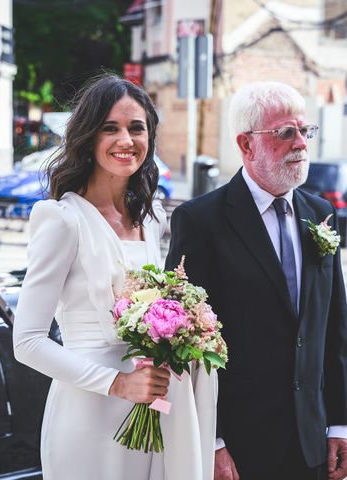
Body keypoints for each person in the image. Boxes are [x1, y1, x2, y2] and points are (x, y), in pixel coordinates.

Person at [13, 74, 217, 480]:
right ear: (88, 137)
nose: (126, 140)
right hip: (89, 412)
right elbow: (28, 342)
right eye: (110, 128)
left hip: (154, 407)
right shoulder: (62, 219)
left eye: (136, 128)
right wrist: (117, 384)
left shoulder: (151, 217)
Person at [165, 81, 347, 480]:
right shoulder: (200, 221)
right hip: (239, 445)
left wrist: (340, 425)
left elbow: (333, 327)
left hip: (311, 442)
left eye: (305, 130)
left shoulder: (320, 212)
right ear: (246, 144)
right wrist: (212, 442)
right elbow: (182, 345)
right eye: (285, 132)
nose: (300, 142)